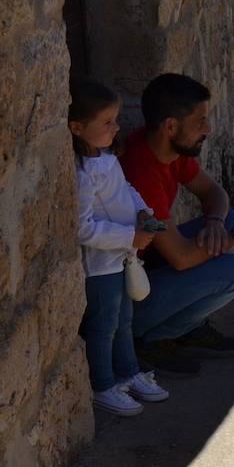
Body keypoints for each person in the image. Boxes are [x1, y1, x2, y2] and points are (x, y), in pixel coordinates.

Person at [121, 74, 234, 377]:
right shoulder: (142, 171)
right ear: (171, 126)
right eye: (200, 121)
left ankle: (184, 326)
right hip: (128, 299)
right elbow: (181, 258)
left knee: (231, 219)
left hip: (150, 267)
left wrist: (216, 222)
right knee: (232, 272)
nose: (208, 129)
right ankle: (151, 339)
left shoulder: (168, 150)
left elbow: (214, 193)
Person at [71, 78, 169, 415]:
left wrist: (143, 211)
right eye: (107, 122)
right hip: (101, 266)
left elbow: (125, 188)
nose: (116, 128)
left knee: (124, 320)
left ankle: (127, 372)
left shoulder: (107, 159)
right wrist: (130, 237)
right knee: (103, 325)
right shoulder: (83, 174)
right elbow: (83, 228)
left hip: (121, 258)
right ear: (77, 128)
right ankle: (103, 384)